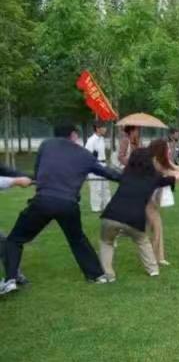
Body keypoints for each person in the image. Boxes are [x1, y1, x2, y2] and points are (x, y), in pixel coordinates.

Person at [1, 125, 121, 295]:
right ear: (73, 135)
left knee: (15, 239)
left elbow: (38, 170)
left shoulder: (46, 145)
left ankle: (10, 279)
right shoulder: (84, 154)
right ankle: (97, 275)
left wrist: (38, 180)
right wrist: (132, 179)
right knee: (77, 239)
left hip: (43, 201)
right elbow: (108, 173)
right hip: (68, 205)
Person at [99, 148, 179, 282]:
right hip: (134, 219)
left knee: (107, 242)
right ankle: (153, 270)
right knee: (142, 241)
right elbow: (175, 178)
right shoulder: (154, 178)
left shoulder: (126, 175)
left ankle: (108, 274)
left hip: (111, 215)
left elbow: (110, 173)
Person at [147, 139, 179, 266]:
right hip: (145, 199)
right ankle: (154, 259)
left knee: (154, 227)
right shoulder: (155, 162)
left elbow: (176, 167)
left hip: (151, 199)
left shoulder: (162, 160)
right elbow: (172, 173)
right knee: (155, 227)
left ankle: (158, 257)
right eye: (167, 148)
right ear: (160, 149)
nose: (169, 150)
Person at [85, 123, 112, 213]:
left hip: (103, 165)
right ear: (97, 128)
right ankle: (96, 207)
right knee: (96, 187)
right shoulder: (91, 140)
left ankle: (107, 205)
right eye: (104, 127)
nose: (105, 129)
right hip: (95, 165)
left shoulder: (102, 139)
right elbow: (87, 155)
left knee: (105, 187)